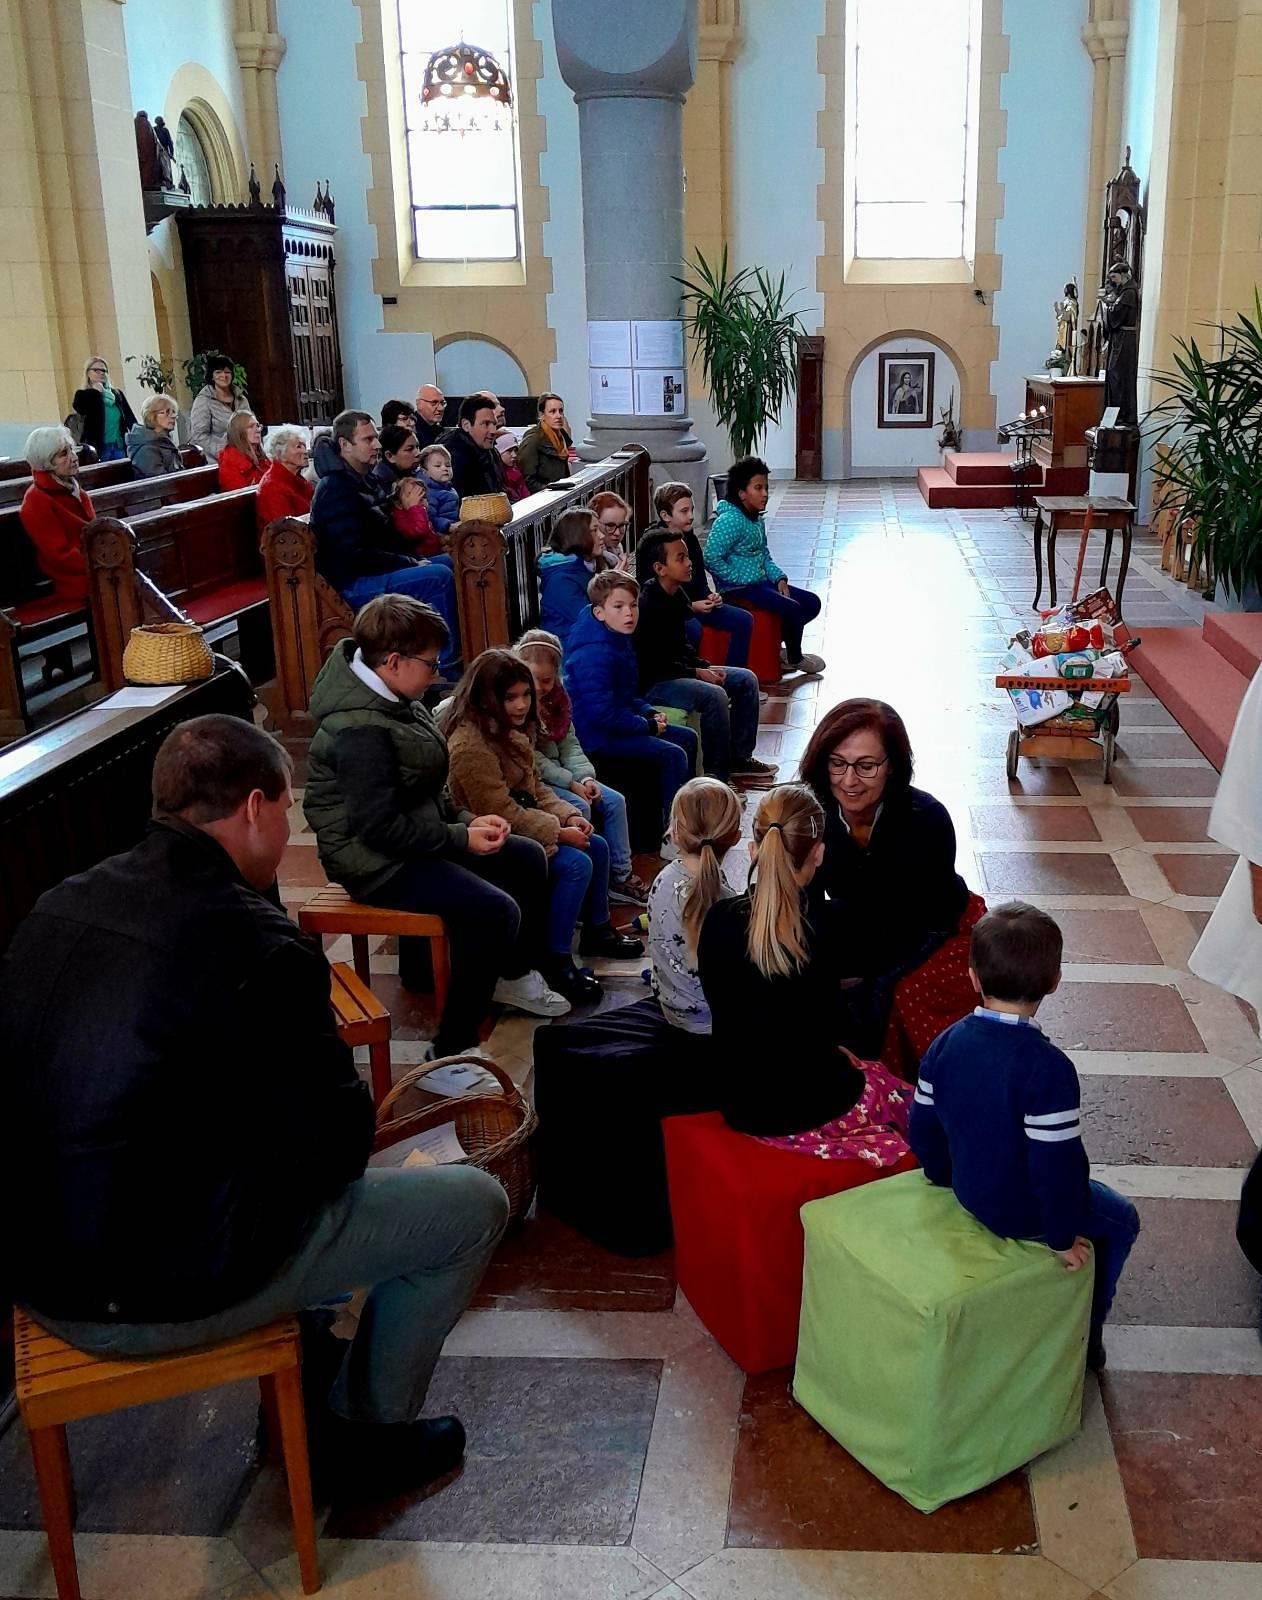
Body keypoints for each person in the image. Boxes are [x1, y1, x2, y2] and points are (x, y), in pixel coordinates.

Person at [0, 713, 509, 1498]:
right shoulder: (255, 943)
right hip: (151, 1288)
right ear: (253, 808)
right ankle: (366, 1442)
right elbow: (340, 1146)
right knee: (470, 1206)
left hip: (35, 1263)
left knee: (255, 1160)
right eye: (286, 804)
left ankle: (313, 1352)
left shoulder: (59, 903)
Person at [305, 596, 571, 1043]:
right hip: (374, 862)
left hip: (411, 838)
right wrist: (460, 838)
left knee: (526, 856)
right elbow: (378, 828)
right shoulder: (359, 730)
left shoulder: (394, 697)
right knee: (493, 910)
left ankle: (510, 974)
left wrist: (469, 819)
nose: (436, 673)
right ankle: (452, 1047)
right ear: (394, 662)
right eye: (430, 664)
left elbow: (427, 786)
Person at [909, 902, 1140, 1369]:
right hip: (1022, 1212)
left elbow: (923, 1127)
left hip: (966, 1190)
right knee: (1122, 1220)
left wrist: (941, 1176)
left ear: (973, 977)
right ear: (1054, 982)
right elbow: (1058, 1170)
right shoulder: (1048, 1069)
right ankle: (1088, 1332)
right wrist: (1060, 1237)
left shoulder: (945, 1042)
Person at [530, 778, 742, 1253]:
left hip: (671, 1011)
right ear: (734, 835)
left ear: (674, 829)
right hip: (709, 1034)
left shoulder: (664, 881)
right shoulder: (726, 901)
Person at [697, 783, 913, 1166]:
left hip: (737, 1100)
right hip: (806, 1105)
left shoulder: (717, 918)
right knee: (909, 1101)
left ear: (754, 848)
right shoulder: (830, 926)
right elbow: (831, 1023)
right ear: (819, 852)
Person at [445, 649, 643, 1004]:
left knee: (597, 845)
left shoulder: (508, 731)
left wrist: (568, 816)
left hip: (521, 823)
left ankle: (597, 930)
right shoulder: (470, 746)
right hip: (490, 840)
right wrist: (558, 831)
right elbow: (500, 811)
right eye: (511, 697)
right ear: (487, 698)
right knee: (575, 864)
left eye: (526, 695)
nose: (522, 704)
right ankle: (555, 960)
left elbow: (534, 788)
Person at [799, 697, 984, 1066]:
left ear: (893, 766)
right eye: (837, 763)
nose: (849, 781)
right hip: (863, 921)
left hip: (931, 927)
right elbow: (807, 900)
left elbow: (917, 923)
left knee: (891, 997)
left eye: (866, 766)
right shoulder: (811, 813)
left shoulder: (927, 819)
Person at [310, 409, 460, 673]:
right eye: (368, 439)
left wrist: (413, 558)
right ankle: (443, 667)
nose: (377, 445)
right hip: (353, 583)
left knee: (452, 561)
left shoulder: (365, 479)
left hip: (375, 569)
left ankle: (464, 646)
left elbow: (387, 535)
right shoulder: (335, 489)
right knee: (438, 577)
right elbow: (354, 555)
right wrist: (409, 563)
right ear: (345, 444)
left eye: (376, 438)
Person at [516, 628, 649, 905]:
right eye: (533, 679)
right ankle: (587, 888)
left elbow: (570, 746)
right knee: (579, 807)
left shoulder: (558, 702)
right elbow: (531, 758)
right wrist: (570, 783)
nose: (540, 687)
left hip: (567, 775)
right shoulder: (520, 703)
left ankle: (620, 876)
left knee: (614, 801)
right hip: (543, 779)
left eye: (547, 680)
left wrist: (586, 778)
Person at [635, 528, 776, 786]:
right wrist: (697, 673)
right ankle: (716, 777)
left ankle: (740, 758)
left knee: (746, 679)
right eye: (680, 558)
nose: (689, 563)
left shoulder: (677, 594)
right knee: (714, 696)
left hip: (679, 671)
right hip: (656, 682)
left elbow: (683, 648)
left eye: (687, 556)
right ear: (659, 568)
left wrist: (703, 667)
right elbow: (654, 663)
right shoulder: (647, 605)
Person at [565, 569, 698, 834]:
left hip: (619, 725)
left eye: (633, 605)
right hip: (598, 738)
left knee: (688, 738)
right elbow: (603, 714)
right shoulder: (594, 653)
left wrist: (648, 711)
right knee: (673, 754)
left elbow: (626, 695)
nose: (629, 613)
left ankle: (691, 813)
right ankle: (674, 831)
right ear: (599, 612)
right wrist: (646, 726)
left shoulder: (616, 636)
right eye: (619, 606)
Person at [705, 456, 825, 676]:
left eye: (766, 488)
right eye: (758, 488)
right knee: (792, 608)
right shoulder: (729, 521)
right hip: (739, 589)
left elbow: (764, 555)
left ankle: (777, 648)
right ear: (742, 493)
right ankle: (795, 658)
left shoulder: (756, 519)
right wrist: (737, 578)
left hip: (761, 583)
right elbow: (711, 558)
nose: (765, 494)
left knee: (811, 603)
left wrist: (779, 578)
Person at [637, 482, 753, 669]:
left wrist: (710, 596)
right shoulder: (652, 543)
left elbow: (699, 579)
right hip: (671, 611)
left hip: (698, 604)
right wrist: (691, 607)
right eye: (684, 511)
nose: (691, 516)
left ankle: (733, 673)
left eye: (691, 509)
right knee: (693, 629)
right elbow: (649, 593)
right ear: (665, 516)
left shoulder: (689, 537)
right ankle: (691, 674)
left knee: (743, 619)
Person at [19, 425, 94, 603]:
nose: (74, 458)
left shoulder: (72, 488)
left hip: (94, 568)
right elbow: (60, 556)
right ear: (46, 462)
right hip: (72, 580)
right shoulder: (36, 500)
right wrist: (100, 563)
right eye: (64, 454)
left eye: (72, 450)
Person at [538, 507, 599, 643]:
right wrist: (613, 588)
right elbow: (591, 620)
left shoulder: (582, 565)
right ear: (578, 536)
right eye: (595, 530)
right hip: (568, 648)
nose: (602, 536)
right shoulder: (560, 580)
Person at [71, 356, 138, 463]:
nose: (101, 373)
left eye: (104, 371)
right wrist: (95, 392)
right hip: (99, 447)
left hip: (119, 445)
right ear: (88, 373)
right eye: (96, 370)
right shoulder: (82, 394)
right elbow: (80, 408)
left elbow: (130, 418)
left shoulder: (116, 394)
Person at [189, 353, 249, 461]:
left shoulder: (241, 398)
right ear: (211, 376)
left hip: (244, 454)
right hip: (217, 459)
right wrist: (223, 453)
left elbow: (250, 425)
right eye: (218, 372)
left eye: (227, 372)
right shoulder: (204, 400)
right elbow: (199, 436)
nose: (224, 376)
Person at [255, 425, 315, 529]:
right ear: (281, 454)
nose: (305, 452)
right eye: (298, 447)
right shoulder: (272, 487)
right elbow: (285, 529)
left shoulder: (297, 479)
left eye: (304, 446)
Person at [445, 393, 501, 499]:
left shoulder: (490, 452)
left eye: (494, 424)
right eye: (486, 424)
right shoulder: (453, 457)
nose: (493, 431)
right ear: (466, 425)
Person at [516, 392, 573, 492]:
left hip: (561, 492)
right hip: (544, 495)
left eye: (561, 411)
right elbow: (527, 480)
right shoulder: (533, 440)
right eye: (552, 411)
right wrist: (550, 489)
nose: (558, 416)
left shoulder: (562, 437)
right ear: (542, 415)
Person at [126, 393, 183, 478]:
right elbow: (160, 480)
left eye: (173, 412)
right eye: (166, 412)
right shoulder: (146, 448)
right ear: (151, 416)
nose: (172, 416)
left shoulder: (163, 441)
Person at [217, 411, 267, 491]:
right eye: (251, 426)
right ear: (239, 433)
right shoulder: (229, 462)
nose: (258, 430)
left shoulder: (262, 457)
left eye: (257, 426)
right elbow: (239, 496)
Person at [419, 443, 460, 534]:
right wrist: (448, 526)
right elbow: (430, 518)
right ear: (425, 472)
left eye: (448, 465)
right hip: (441, 533)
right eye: (438, 466)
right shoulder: (428, 492)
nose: (445, 468)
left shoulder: (449, 488)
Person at [591, 490, 631, 570]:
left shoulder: (616, 549)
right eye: (610, 526)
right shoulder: (588, 559)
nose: (617, 533)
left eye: (622, 525)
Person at [496, 430, 529, 502]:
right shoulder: (495, 478)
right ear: (498, 452)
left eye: (515, 450)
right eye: (509, 451)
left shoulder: (517, 472)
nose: (514, 455)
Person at [414, 383, 447, 448]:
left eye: (442, 403)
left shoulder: (440, 431)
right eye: (434, 403)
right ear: (419, 403)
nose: (441, 408)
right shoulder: (411, 431)